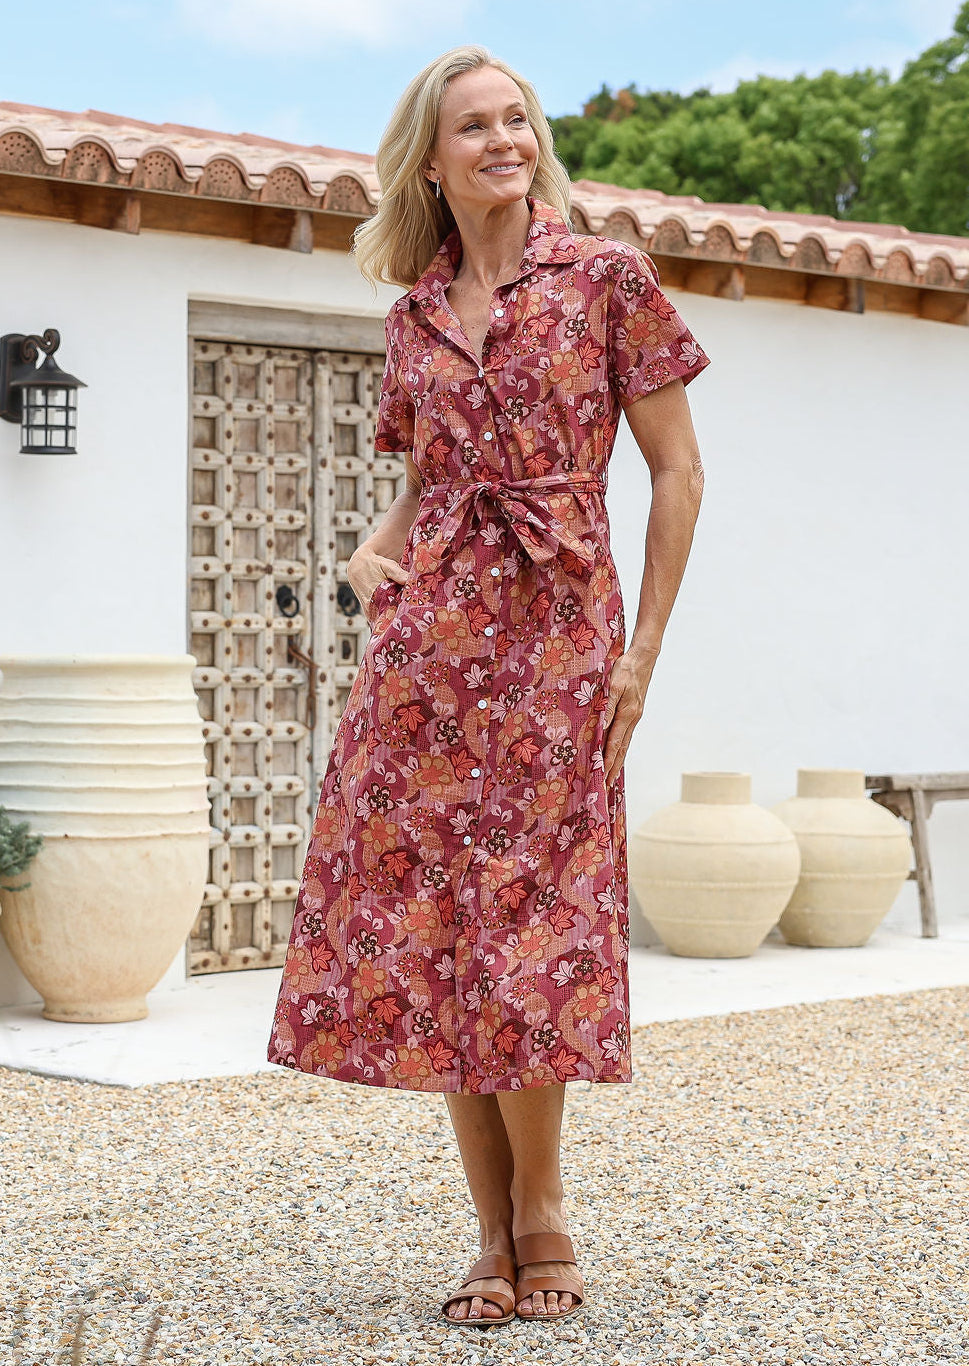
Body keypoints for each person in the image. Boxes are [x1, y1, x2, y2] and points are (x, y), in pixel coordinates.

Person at [267, 44, 710, 1329]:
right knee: (440, 932)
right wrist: (372, 552)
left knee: (541, 926)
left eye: (518, 119)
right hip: (428, 661)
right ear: (434, 158)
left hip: (565, 648)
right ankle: (487, 1234)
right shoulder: (411, 314)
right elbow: (427, 487)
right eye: (476, 126)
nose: (504, 140)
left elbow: (678, 473)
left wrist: (643, 654)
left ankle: (544, 1206)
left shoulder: (606, 278)